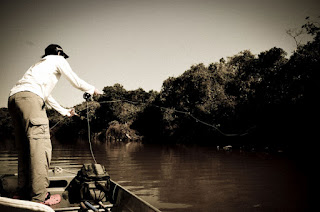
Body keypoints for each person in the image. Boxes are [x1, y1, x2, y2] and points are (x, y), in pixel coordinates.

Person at [7, 44, 101, 205]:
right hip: (31, 99)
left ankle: (21, 192)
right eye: (63, 55)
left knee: (24, 149)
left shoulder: (37, 67)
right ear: (59, 53)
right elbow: (75, 81)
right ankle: (40, 197)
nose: (63, 58)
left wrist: (64, 112)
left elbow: (46, 96)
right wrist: (93, 89)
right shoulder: (57, 59)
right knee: (40, 149)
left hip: (14, 99)